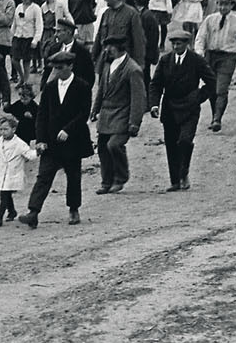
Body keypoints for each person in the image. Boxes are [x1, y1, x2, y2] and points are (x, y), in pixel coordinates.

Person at [18, 51, 94, 229]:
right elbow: (42, 115)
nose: (57, 71)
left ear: (70, 66)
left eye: (60, 68)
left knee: (73, 176)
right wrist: (40, 139)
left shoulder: (82, 86)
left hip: (73, 140)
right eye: (55, 68)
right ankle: (33, 212)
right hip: (51, 141)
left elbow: (84, 113)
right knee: (43, 176)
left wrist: (68, 130)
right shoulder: (50, 87)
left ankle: (74, 209)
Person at [149, 26, 214, 190]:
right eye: (173, 44)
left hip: (190, 109)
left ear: (187, 44)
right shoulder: (165, 60)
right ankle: (175, 181)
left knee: (185, 140)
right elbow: (156, 84)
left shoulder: (196, 60)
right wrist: (154, 104)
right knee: (171, 144)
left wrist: (198, 97)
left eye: (179, 44)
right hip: (170, 108)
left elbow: (212, 82)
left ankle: (183, 172)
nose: (176, 47)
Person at [91, 36, 146, 194]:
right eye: (106, 46)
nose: (107, 50)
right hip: (106, 114)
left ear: (120, 48)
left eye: (111, 47)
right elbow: (101, 89)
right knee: (103, 147)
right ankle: (106, 182)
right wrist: (95, 109)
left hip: (122, 114)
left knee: (114, 145)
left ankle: (121, 178)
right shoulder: (108, 65)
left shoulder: (133, 69)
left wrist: (134, 122)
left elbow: (138, 98)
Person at [194, 0, 236, 132]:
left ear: (232, 6)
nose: (223, 7)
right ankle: (214, 115)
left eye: (226, 5)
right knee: (211, 87)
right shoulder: (210, 19)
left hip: (228, 56)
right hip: (211, 55)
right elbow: (201, 37)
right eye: (220, 4)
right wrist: (199, 54)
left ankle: (217, 119)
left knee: (221, 88)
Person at [0, 111, 37, 227]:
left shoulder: (19, 143)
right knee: (5, 192)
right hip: (2, 172)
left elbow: (29, 154)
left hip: (13, 173)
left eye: (6, 129)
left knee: (4, 193)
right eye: (1, 129)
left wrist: (38, 151)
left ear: (13, 129)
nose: (3, 132)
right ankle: (12, 211)